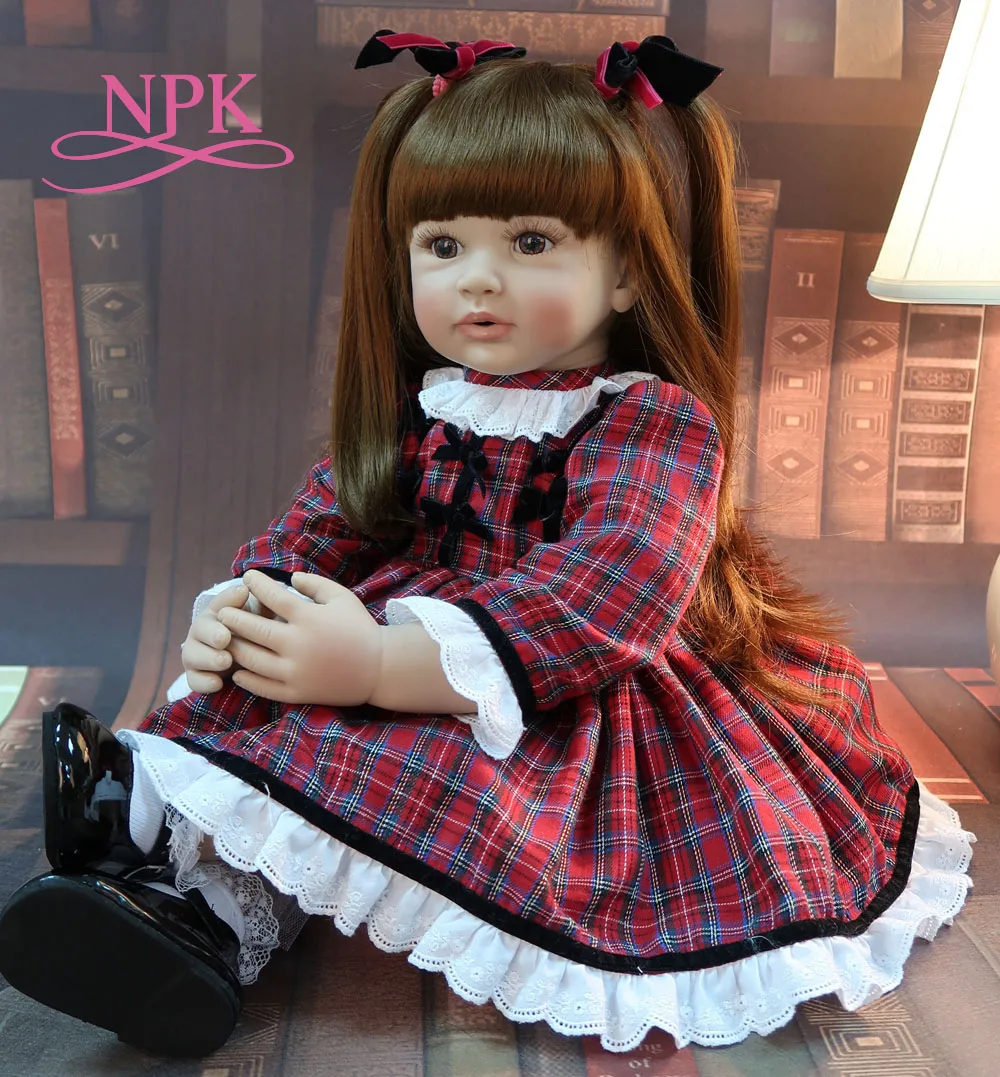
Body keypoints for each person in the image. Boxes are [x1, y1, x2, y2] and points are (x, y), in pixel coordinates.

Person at [0, 30, 975, 1060]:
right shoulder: (425, 413)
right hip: (393, 654)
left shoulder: (648, 421)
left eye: (531, 243)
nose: (479, 281)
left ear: (626, 275)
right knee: (270, 726)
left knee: (410, 775)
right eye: (443, 246)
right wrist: (248, 611)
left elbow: (612, 588)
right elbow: (325, 523)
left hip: (567, 695)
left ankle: (185, 888)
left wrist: (382, 664)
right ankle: (177, 901)